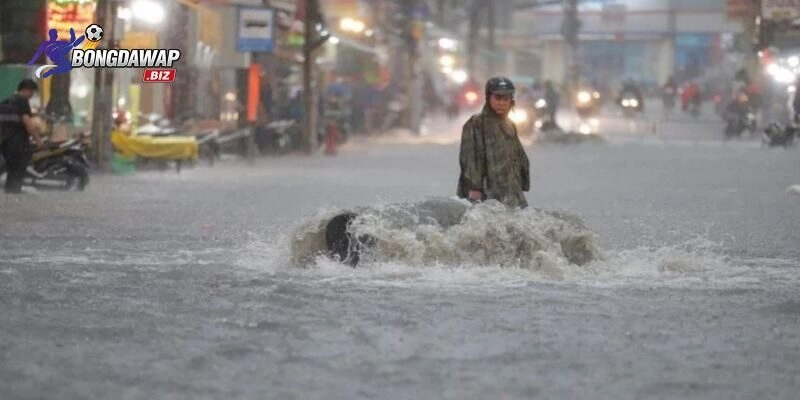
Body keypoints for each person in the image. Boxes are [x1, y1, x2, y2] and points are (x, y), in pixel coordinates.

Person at [457, 76, 530, 209]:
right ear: (488, 98)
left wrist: (522, 183)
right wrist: (474, 188)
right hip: (486, 194)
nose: (501, 102)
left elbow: (517, 156)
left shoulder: (510, 124)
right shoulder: (476, 123)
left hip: (511, 192)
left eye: (506, 98)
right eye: (497, 98)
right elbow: (470, 158)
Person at [0, 79, 44, 193]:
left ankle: (10, 199)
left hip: (6, 144)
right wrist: (38, 140)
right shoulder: (22, 101)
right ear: (25, 90)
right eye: (32, 92)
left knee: (11, 173)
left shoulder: (5, 101)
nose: (32, 95)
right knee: (18, 174)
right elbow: (27, 123)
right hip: (19, 143)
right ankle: (15, 196)